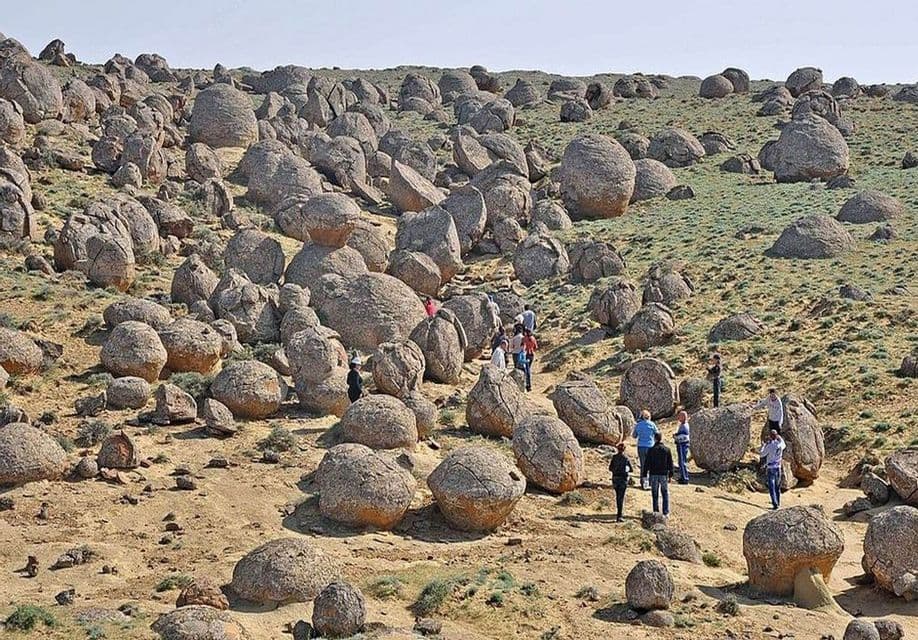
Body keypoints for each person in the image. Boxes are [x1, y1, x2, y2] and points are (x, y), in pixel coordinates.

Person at [644, 432, 674, 516]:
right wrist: (671, 473)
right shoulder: (667, 449)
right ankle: (665, 511)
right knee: (664, 492)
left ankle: (656, 511)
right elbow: (670, 463)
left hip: (653, 474)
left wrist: (645, 474)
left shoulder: (651, 450)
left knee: (655, 493)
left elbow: (647, 463)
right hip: (663, 474)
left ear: (655, 439)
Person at [631, 410, 659, 490]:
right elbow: (657, 434)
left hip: (641, 446)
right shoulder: (652, 424)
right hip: (650, 446)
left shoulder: (638, 425)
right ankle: (651, 483)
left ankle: (643, 482)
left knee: (643, 465)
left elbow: (634, 436)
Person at [760, 429, 786, 510]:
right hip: (778, 467)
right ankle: (778, 502)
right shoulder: (780, 444)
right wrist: (779, 437)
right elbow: (783, 443)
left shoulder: (770, 446)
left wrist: (764, 445)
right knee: (777, 486)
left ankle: (775, 504)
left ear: (771, 436)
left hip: (771, 468)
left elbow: (762, 454)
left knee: (772, 487)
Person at [608, 442, 633, 522]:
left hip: (615, 478)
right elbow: (631, 469)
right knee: (621, 497)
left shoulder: (614, 457)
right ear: (624, 449)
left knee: (617, 496)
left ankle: (619, 514)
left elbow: (610, 468)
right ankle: (619, 515)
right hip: (623, 479)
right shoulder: (626, 458)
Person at [673, 410, 690, 484]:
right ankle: (682, 477)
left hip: (682, 445)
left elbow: (684, 437)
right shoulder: (683, 425)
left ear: (683, 417)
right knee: (681, 461)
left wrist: (676, 437)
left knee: (682, 461)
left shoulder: (684, 426)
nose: (678, 417)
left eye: (680, 416)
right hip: (682, 444)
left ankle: (684, 478)